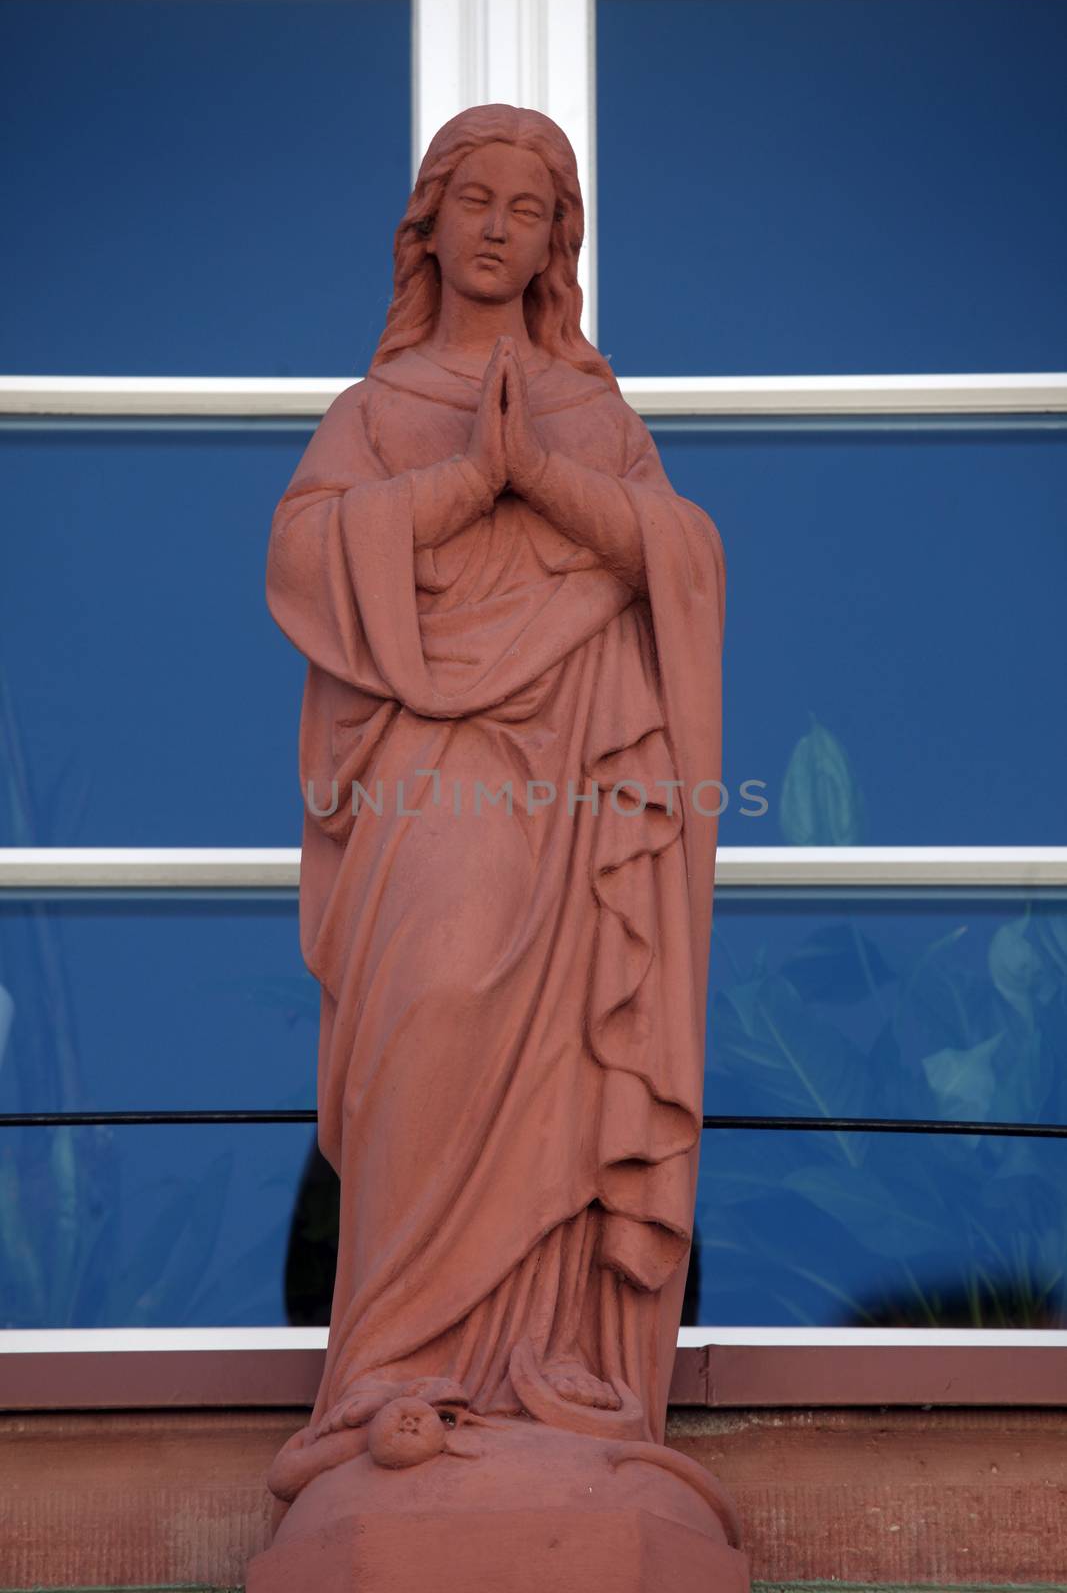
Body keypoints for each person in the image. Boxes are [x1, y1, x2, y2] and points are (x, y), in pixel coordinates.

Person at [264, 102, 726, 1513]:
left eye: (529, 212)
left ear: (555, 247)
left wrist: (546, 475)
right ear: (429, 224)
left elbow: (683, 559)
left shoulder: (594, 417)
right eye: (474, 201)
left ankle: (547, 1362)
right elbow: (302, 555)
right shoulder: (373, 412)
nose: (498, 229)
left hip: (583, 785)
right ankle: (389, 1370)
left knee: (573, 1061)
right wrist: (469, 480)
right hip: (433, 779)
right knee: (434, 1008)